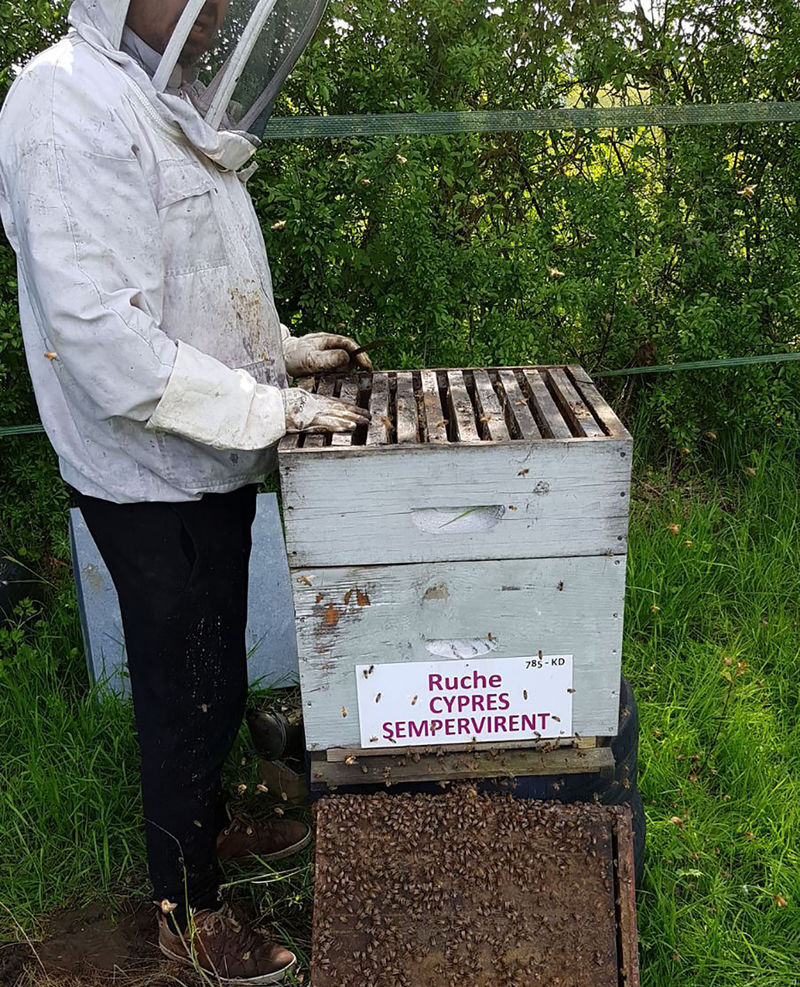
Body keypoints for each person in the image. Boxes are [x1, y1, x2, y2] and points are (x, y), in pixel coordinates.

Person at [0, 0, 371, 981]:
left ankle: (200, 834)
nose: (212, 17)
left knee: (212, 679)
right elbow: (105, 342)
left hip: (203, 455)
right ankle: (187, 915)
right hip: (147, 477)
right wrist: (271, 409)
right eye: (192, 0)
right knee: (184, 698)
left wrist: (280, 356)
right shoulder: (66, 106)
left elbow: (186, 288)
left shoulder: (147, 102)